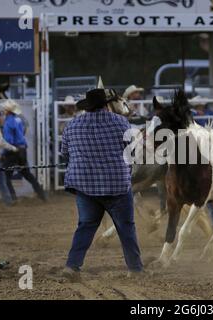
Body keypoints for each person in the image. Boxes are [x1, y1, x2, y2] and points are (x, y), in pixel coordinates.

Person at [61, 88, 143, 281]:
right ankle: (135, 269)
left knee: (86, 225)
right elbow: (132, 152)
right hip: (117, 185)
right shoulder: (121, 122)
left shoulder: (72, 125)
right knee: (126, 227)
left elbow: (65, 153)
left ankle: (72, 266)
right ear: (107, 104)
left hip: (84, 185)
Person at [1, 100, 47, 202]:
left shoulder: (8, 122)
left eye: (5, 109)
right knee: (27, 174)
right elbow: (23, 131)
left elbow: (9, 140)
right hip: (22, 149)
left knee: (5, 176)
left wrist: (3, 153)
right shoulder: (19, 120)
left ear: (8, 111)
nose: (3, 111)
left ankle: (12, 198)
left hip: (12, 151)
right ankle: (42, 194)